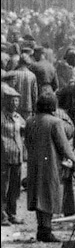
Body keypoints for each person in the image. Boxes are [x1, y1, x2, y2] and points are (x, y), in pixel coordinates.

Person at [24, 92, 75, 241]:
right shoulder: (55, 122)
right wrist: (74, 161)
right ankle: (46, 231)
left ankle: (41, 229)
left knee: (37, 195)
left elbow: (27, 142)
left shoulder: (30, 121)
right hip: (50, 164)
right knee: (48, 194)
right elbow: (64, 146)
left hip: (34, 163)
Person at [1, 84, 26, 226]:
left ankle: (12, 213)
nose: (14, 103)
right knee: (3, 187)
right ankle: (2, 215)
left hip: (17, 156)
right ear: (5, 101)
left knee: (15, 188)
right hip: (4, 157)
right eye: (12, 100)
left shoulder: (18, 117)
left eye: (16, 101)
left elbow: (25, 128)